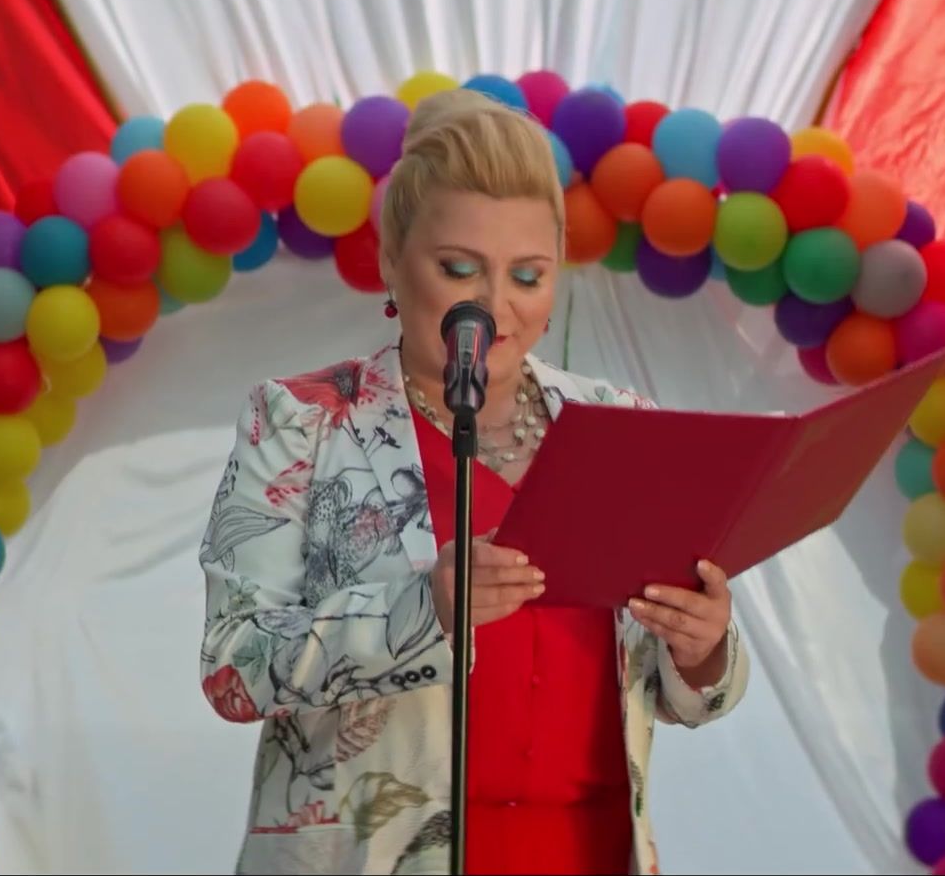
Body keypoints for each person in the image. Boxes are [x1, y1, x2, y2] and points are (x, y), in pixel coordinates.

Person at [197, 88, 750, 876]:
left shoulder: (620, 421)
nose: (495, 306)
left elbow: (681, 688)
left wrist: (703, 645)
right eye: (460, 268)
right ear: (392, 260)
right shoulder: (300, 422)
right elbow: (233, 669)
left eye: (528, 275)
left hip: (586, 853)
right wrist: (421, 610)